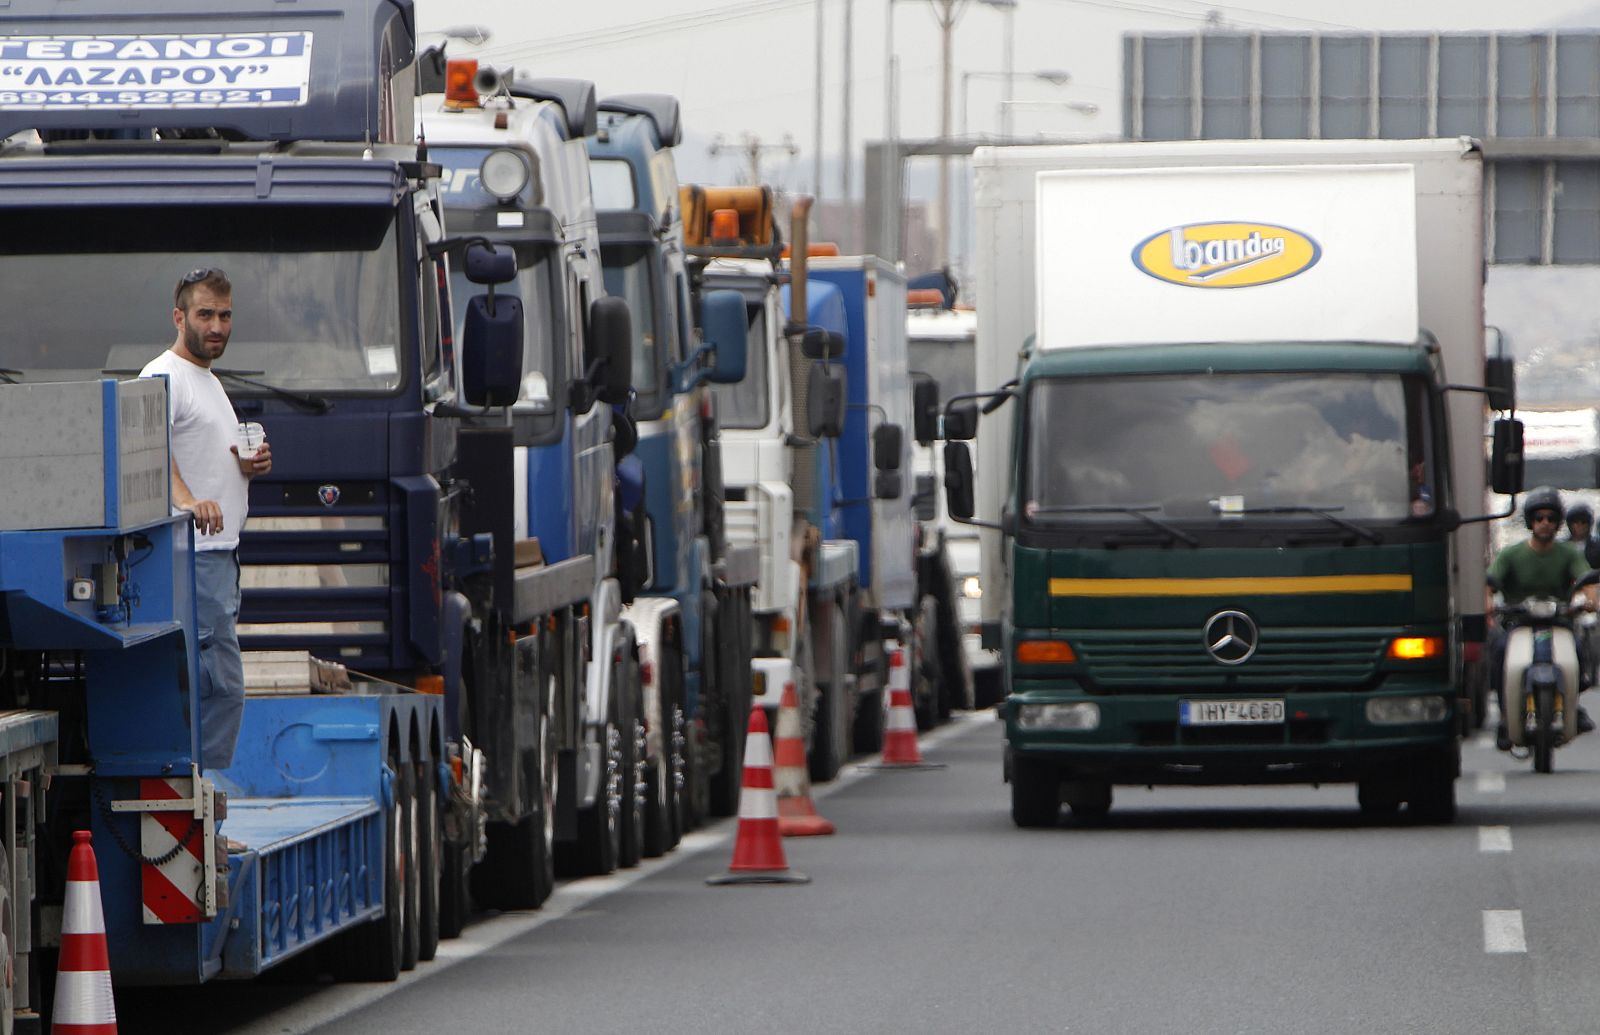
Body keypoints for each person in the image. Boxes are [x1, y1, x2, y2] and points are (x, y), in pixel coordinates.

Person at [140, 268, 272, 771]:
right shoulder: (164, 376)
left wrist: (247, 466)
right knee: (217, 690)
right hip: (191, 558)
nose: (217, 326)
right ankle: (197, 796)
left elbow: (201, 453)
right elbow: (150, 450)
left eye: (225, 315)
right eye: (205, 315)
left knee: (210, 688)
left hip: (219, 557)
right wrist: (189, 502)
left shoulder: (208, 380)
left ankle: (198, 799)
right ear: (179, 318)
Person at [1486, 486, 1597, 750]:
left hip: (1559, 622)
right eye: (1539, 518)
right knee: (1500, 651)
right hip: (1518, 624)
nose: (1545, 523)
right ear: (1530, 522)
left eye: (1550, 518)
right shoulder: (1511, 554)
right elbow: (1490, 582)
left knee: (1579, 651)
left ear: (1558, 523)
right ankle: (1506, 716)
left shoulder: (1569, 554)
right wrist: (1488, 604)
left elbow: (1587, 580)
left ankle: (1573, 706)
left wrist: (1591, 599)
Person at [1563, 502, 1600, 570]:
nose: (1579, 525)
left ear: (1589, 524)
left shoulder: (1598, 548)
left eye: (1584, 522)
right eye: (1575, 522)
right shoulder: (1561, 547)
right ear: (1569, 524)